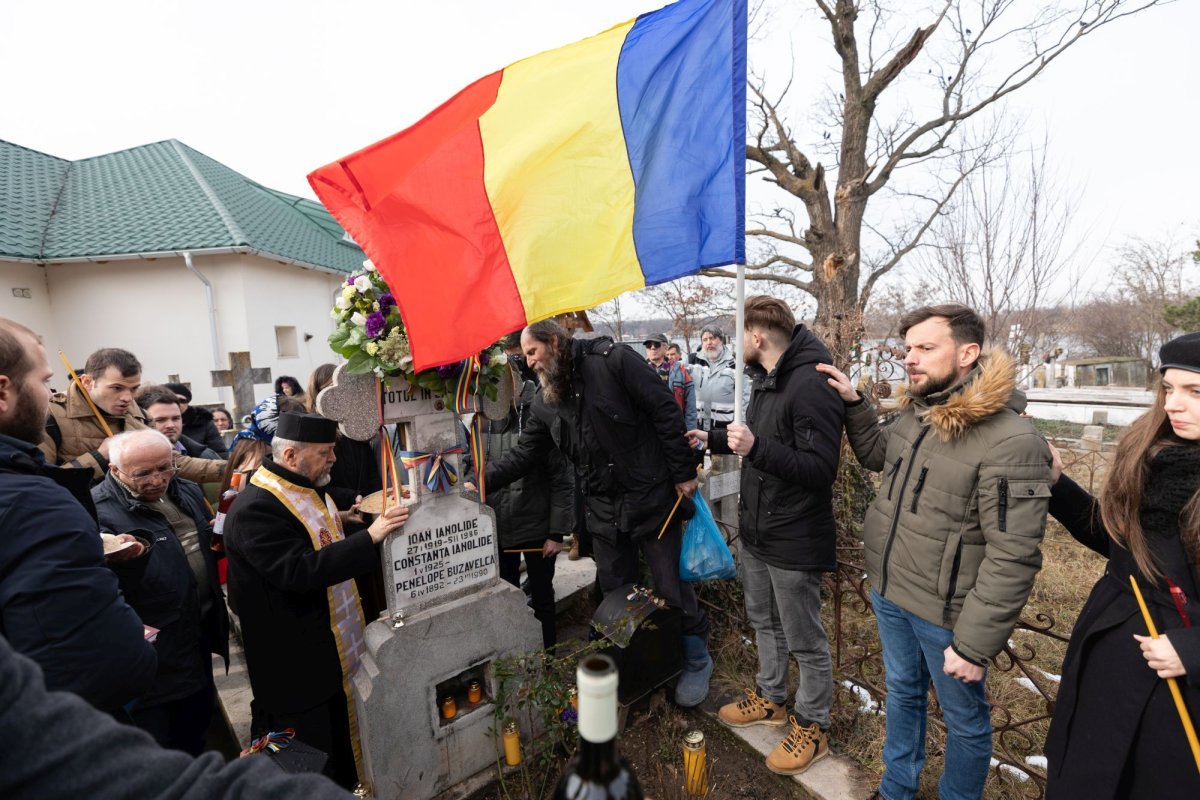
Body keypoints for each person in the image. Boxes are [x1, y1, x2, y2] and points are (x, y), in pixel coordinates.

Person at [818, 304, 1052, 800]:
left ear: (967, 353)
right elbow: (880, 456)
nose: (910, 359)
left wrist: (973, 644)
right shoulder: (919, 409)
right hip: (891, 589)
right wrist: (854, 403)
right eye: (908, 349)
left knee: (965, 721)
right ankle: (896, 787)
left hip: (948, 613)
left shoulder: (1012, 440)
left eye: (925, 348)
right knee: (903, 694)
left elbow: (1014, 554)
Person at [482, 320, 713, 707]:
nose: (529, 363)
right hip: (604, 513)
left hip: (651, 499)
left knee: (671, 585)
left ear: (554, 342)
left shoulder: (613, 361)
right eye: (525, 357)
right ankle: (637, 666)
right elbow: (524, 455)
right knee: (616, 593)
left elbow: (663, 409)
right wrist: (479, 482)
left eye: (533, 353)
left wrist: (683, 472)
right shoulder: (544, 401)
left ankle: (694, 658)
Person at [1041, 331, 1200, 799]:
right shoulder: (1154, 459)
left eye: (1195, 392)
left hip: (1180, 690)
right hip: (1110, 660)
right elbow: (1123, 550)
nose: (1174, 404)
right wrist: (1057, 484)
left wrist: (1194, 651)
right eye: (1168, 389)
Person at [690, 297, 844, 775]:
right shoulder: (766, 379)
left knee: (805, 639)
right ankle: (772, 697)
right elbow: (761, 436)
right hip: (759, 528)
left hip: (794, 535)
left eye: (738, 334)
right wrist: (712, 440)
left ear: (756, 336)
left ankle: (812, 726)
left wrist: (756, 448)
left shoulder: (810, 382)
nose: (735, 343)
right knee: (764, 620)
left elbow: (820, 469)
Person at [225, 411, 410, 789]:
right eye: (325, 452)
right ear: (290, 456)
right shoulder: (256, 508)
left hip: (324, 649)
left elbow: (311, 532)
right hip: (293, 663)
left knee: (339, 744)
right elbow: (298, 570)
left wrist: (345, 519)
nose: (334, 459)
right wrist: (370, 537)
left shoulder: (298, 485)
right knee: (307, 759)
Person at [0, 319, 156, 713]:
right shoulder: (36, 504)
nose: (49, 392)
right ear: (3, 391)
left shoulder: (134, 415)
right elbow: (96, 665)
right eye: (42, 381)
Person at [0, 632, 357, 800]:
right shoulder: (258, 509)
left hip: (190, 647)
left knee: (192, 736)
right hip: (283, 676)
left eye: (165, 474)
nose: (158, 479)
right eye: (145, 474)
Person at [92, 429, 228, 755]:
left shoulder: (187, 490)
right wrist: (127, 560)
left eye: (165, 467)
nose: (157, 479)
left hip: (197, 630)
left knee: (197, 724)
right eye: (143, 473)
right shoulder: (97, 511)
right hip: (153, 648)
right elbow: (99, 584)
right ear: (115, 470)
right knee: (161, 741)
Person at [465, 332, 574, 650]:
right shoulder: (479, 421)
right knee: (506, 600)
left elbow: (561, 478)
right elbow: (469, 467)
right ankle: (515, 661)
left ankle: (548, 657)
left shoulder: (539, 411)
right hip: (498, 529)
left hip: (538, 530)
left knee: (542, 599)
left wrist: (557, 532)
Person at [138, 385, 227, 482]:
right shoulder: (136, 458)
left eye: (176, 418)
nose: (170, 425)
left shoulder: (205, 454)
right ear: (142, 421)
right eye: (160, 420)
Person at [689, 326, 740, 431]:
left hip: (724, 429)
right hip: (697, 427)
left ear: (721, 340)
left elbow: (744, 399)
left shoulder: (735, 363)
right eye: (705, 340)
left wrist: (740, 425)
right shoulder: (692, 361)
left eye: (712, 338)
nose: (709, 342)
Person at [645, 332, 698, 433]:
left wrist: (691, 431)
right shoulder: (639, 371)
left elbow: (690, 407)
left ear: (665, 348)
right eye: (648, 345)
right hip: (649, 430)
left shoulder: (681, 371)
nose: (652, 348)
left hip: (674, 428)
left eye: (656, 344)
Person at [164, 382, 228, 457]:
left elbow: (220, 454)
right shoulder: (151, 423)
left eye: (181, 400)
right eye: (171, 400)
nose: (177, 404)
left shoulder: (203, 422)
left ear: (187, 402)